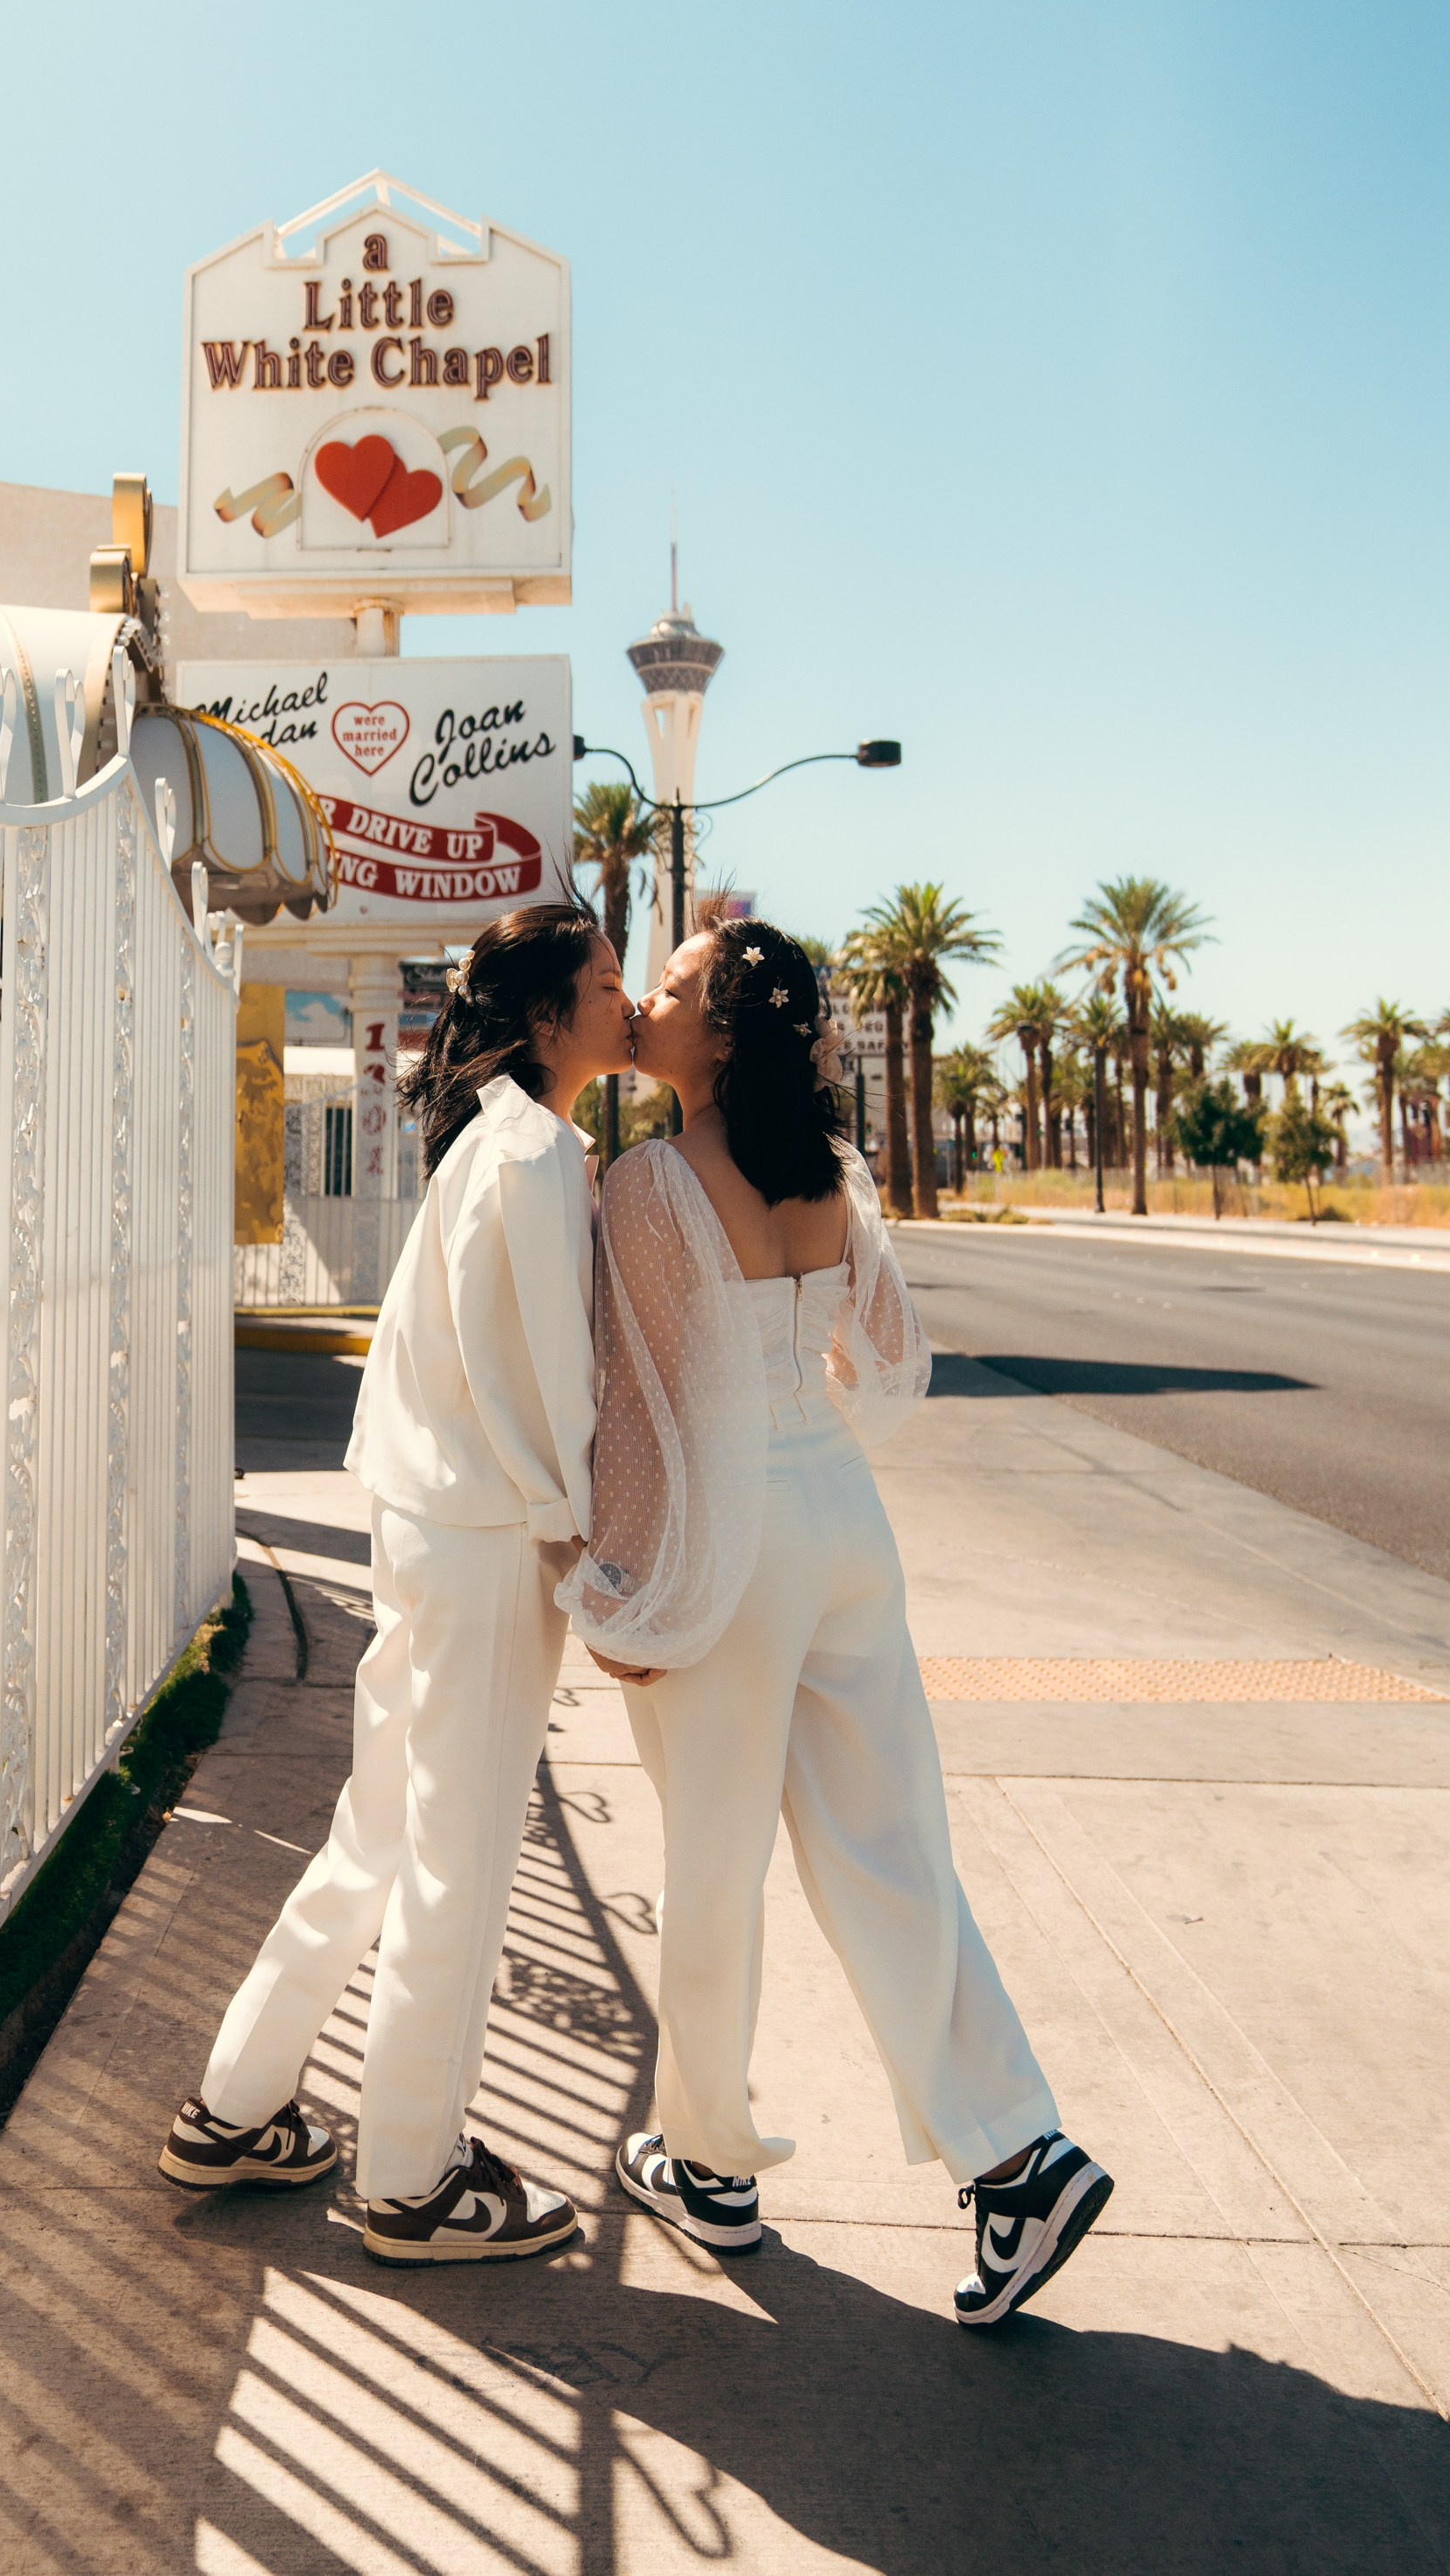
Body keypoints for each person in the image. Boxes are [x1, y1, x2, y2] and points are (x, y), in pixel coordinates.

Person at [563, 919, 1112, 2326]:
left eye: (674, 991)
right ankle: (1017, 2154)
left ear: (723, 1038)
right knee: (891, 1846)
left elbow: (643, 1410)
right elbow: (878, 1357)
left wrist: (621, 1585)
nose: (649, 1002)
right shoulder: (829, 1171)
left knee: (716, 1861)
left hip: (732, 1542)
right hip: (845, 1523)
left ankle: (709, 2162)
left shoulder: (644, 1183)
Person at [161, 905, 635, 2265]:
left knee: (381, 1831)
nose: (619, 1002)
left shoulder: (493, 1140)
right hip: (489, 1541)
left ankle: (240, 2104)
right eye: (603, 983)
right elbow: (545, 1374)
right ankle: (415, 2177)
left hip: (424, 1528)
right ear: (549, 1020)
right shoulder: (536, 1152)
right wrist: (580, 1543)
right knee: (459, 1862)